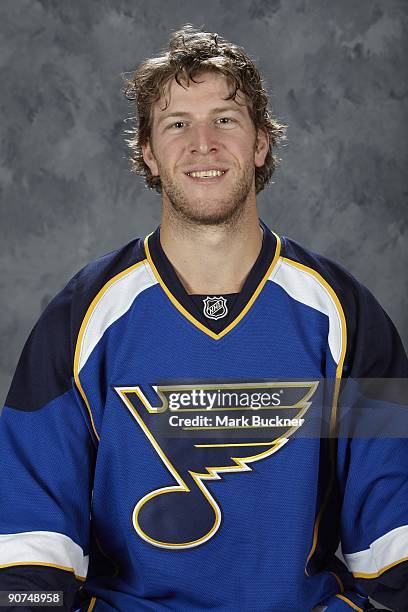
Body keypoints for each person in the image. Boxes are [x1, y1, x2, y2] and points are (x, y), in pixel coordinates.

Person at [0, 24, 407, 612]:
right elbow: (28, 529)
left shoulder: (341, 310)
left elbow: (393, 516)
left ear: (261, 143)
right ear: (149, 153)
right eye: (176, 124)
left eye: (225, 119)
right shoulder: (87, 312)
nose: (203, 144)